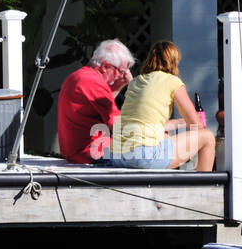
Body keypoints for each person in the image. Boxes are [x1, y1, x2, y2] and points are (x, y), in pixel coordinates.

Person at [110, 40, 215, 171]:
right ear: (174, 61)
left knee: (164, 137)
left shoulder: (136, 82)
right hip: (143, 157)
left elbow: (146, 122)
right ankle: (203, 189)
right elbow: (196, 125)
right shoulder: (172, 81)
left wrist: (179, 123)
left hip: (117, 156)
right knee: (207, 137)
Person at [57, 39, 134, 163]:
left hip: (78, 152)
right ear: (105, 66)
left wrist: (118, 86)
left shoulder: (79, 76)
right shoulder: (93, 82)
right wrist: (134, 90)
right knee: (167, 149)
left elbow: (100, 106)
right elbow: (118, 126)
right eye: (121, 71)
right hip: (93, 153)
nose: (122, 76)